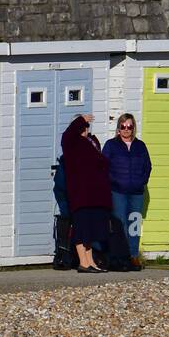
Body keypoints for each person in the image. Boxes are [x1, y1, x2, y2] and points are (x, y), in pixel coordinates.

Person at [61, 113, 111, 273]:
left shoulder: (91, 142)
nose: (85, 128)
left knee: (90, 229)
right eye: (82, 126)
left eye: (86, 126)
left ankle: (91, 262)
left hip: (95, 194)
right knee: (81, 228)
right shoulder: (71, 142)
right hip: (80, 193)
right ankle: (83, 262)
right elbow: (68, 134)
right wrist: (81, 119)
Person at [102, 113, 151, 270]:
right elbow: (103, 166)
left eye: (129, 126)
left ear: (133, 127)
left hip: (136, 192)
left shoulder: (140, 146)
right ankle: (121, 256)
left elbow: (147, 166)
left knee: (134, 224)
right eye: (123, 126)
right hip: (118, 192)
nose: (126, 129)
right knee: (120, 223)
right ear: (118, 128)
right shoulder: (111, 145)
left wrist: (141, 181)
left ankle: (133, 256)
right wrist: (112, 182)